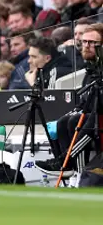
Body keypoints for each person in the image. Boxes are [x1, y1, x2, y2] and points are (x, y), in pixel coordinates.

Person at [35, 24, 103, 177]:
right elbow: (84, 99)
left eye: (92, 43)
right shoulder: (90, 69)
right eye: (84, 42)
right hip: (92, 114)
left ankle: (65, 162)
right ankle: (69, 169)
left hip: (99, 116)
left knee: (76, 121)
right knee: (64, 121)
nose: (86, 46)